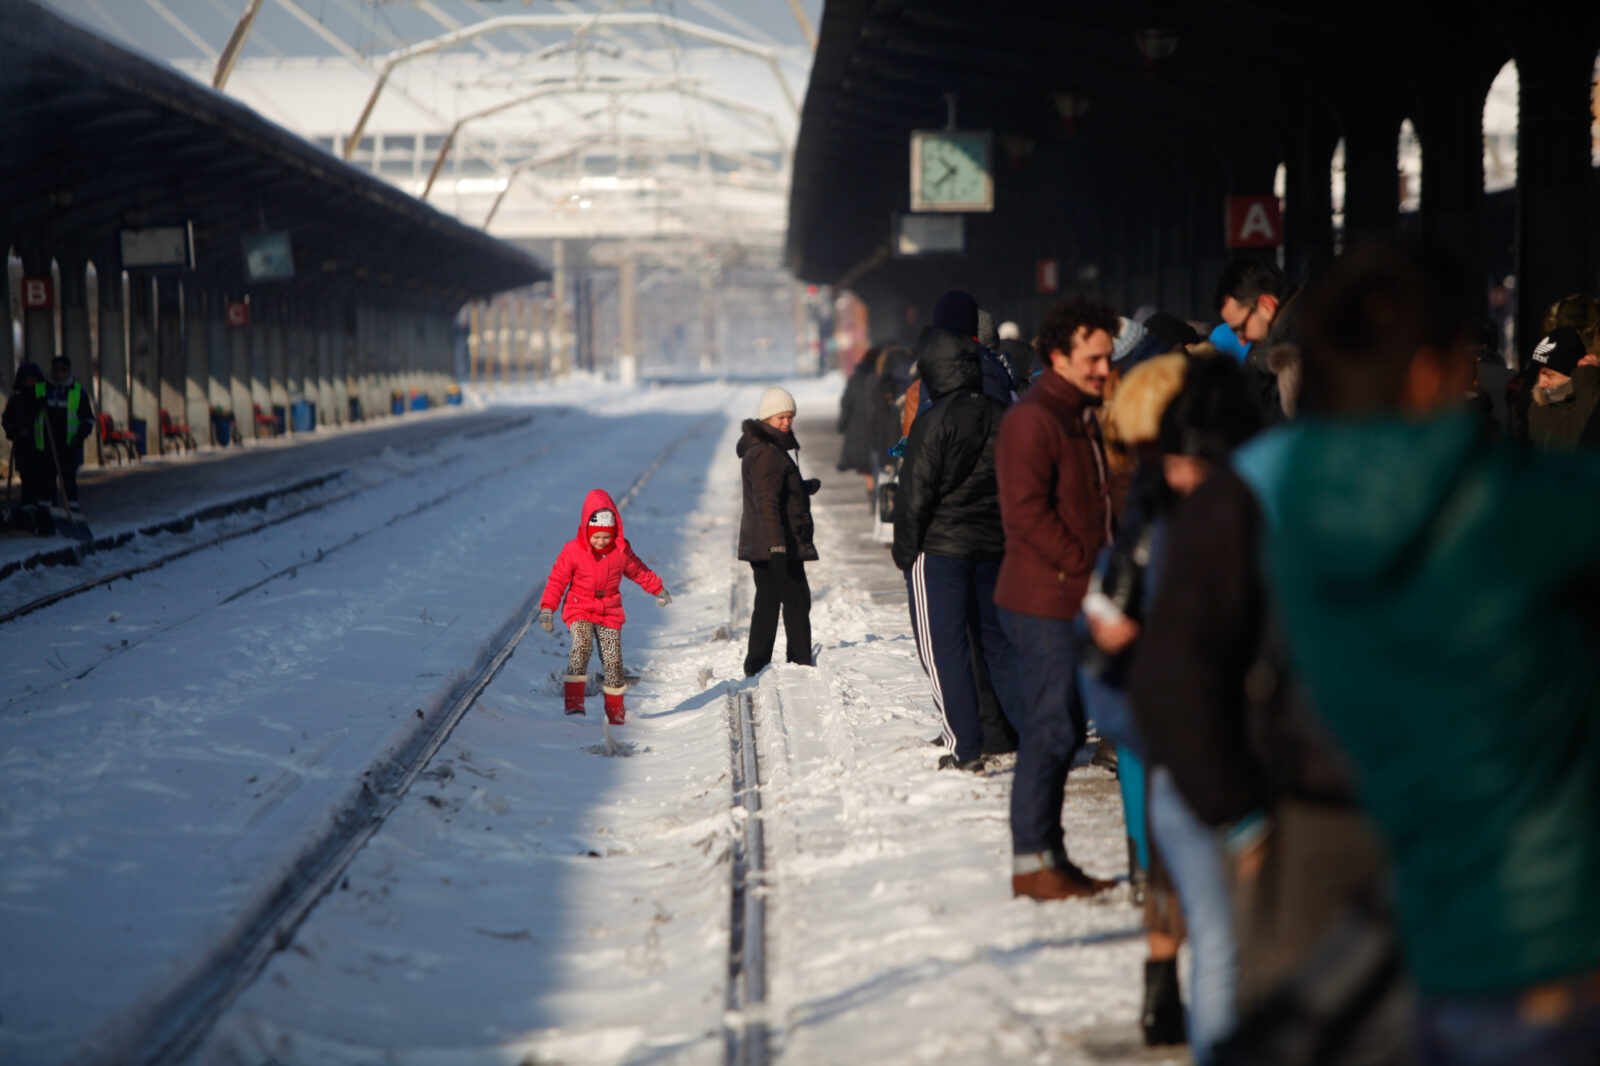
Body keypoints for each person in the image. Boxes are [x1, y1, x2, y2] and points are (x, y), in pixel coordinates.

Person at [1233, 238, 1600, 1065]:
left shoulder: (1301, 523)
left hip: (1431, 928)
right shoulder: (1492, 505)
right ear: (1432, 369)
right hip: (1559, 941)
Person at [994, 293, 1120, 900]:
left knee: (1065, 729)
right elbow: (1025, 516)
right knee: (1050, 729)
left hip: (1070, 595)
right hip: (1042, 599)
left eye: (1108, 356)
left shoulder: (1079, 413)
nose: (1104, 368)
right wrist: (1089, 567)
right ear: (1058, 357)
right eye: (1093, 358)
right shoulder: (1034, 419)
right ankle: (1032, 861)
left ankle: (1050, 854)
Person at [893, 305, 1021, 771]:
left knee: (944, 649)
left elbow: (914, 496)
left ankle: (963, 746)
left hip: (940, 551)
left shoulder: (933, 422)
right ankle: (1034, 733)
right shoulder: (1003, 414)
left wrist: (906, 554)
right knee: (998, 646)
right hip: (993, 548)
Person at [538, 489, 668, 724]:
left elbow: (638, 571)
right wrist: (548, 609)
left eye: (606, 537)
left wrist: (658, 589)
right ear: (587, 531)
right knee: (582, 646)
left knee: (613, 659)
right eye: (596, 537)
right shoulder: (573, 550)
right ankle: (574, 704)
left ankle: (615, 711)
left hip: (609, 609)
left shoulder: (621, 551)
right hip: (579, 606)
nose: (600, 542)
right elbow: (557, 580)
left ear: (614, 532)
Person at [738, 387, 819, 676]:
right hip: (777, 542)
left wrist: (803, 487)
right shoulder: (767, 453)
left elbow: (775, 490)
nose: (786, 422)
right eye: (780, 417)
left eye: (790, 417)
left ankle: (757, 663)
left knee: (768, 602)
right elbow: (766, 502)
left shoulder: (767, 447)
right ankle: (800, 661)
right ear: (766, 418)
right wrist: (777, 546)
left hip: (768, 542)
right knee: (796, 599)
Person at [39, 355, 97, 517]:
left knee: (69, 481)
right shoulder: (41, 390)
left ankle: (72, 513)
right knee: (46, 482)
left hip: (69, 446)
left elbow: (88, 419)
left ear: (68, 372)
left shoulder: (78, 392)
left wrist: (80, 436)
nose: (58, 373)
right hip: (46, 445)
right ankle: (47, 515)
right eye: (55, 369)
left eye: (62, 370)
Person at [1526, 325, 1600, 449]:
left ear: (1572, 374)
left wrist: (1589, 380)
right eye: (1539, 373)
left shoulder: (1588, 400)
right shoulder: (1538, 406)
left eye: (1549, 375)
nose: (1541, 383)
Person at [2, 362, 53, 535]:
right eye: (27, 379)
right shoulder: (16, 400)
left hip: (42, 449)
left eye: (33, 379)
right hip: (24, 448)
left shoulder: (43, 397)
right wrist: (13, 430)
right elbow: (7, 419)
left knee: (44, 484)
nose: (30, 382)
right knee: (28, 484)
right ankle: (28, 518)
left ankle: (45, 519)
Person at [837, 348, 881, 501]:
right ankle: (878, 501)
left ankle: (873, 502)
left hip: (858, 431)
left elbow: (846, 404)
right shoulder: (881, 378)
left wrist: (842, 425)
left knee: (867, 470)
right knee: (879, 466)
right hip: (877, 428)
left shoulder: (855, 379)